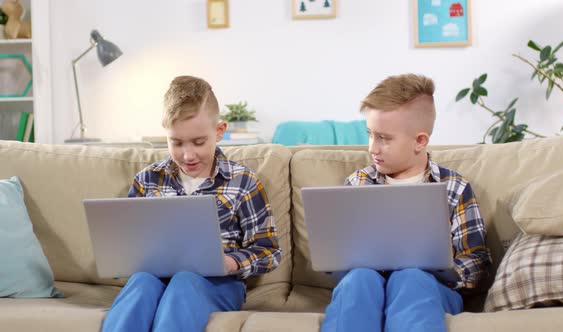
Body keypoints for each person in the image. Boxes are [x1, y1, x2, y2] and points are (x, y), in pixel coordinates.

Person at [102, 76, 281, 332]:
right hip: (155, 277)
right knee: (141, 282)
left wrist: (230, 262)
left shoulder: (242, 181)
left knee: (185, 281)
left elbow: (269, 251)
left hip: (217, 283)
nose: (188, 155)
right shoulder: (147, 180)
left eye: (198, 142)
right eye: (176, 142)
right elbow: (130, 248)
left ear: (219, 131)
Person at [321, 74, 491, 332]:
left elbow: (475, 261)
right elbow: (341, 257)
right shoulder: (358, 182)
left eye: (384, 138)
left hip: (430, 289)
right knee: (360, 280)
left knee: (411, 278)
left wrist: (440, 270)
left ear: (420, 141)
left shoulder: (453, 187)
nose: (372, 148)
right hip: (368, 288)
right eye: (370, 135)